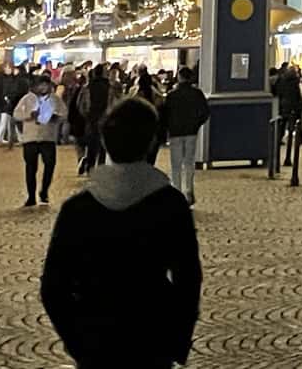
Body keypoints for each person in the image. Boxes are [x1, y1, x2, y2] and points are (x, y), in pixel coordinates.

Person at [42, 97, 201, 368]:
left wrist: (77, 341)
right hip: (151, 334)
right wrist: (176, 340)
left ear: (105, 142)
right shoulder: (170, 204)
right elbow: (188, 279)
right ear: (151, 142)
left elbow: (54, 286)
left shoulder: (79, 208)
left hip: (95, 333)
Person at [160, 66, 210, 205]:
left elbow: (164, 115)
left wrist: (167, 129)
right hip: (191, 132)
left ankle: (177, 192)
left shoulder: (171, 95)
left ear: (179, 77)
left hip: (175, 133)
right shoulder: (197, 94)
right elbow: (205, 112)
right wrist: (196, 124)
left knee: (176, 165)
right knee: (189, 162)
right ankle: (189, 190)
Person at [16, 76, 60, 207]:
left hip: (48, 137)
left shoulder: (55, 99)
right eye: (41, 85)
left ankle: (44, 191)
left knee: (50, 165)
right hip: (31, 138)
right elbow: (17, 114)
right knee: (31, 168)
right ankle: (31, 196)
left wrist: (55, 117)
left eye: (46, 85)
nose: (43, 88)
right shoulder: (27, 99)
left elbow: (64, 113)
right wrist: (29, 116)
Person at [78, 66, 113, 175]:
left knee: (91, 144)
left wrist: (86, 115)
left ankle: (90, 167)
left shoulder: (87, 87)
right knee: (103, 145)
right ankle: (100, 167)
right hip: (105, 118)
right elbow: (112, 103)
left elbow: (80, 104)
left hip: (91, 118)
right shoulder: (109, 87)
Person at [273, 62, 302, 165]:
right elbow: (299, 95)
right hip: (293, 107)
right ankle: (288, 157)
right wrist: (300, 108)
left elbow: (277, 91)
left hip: (283, 105)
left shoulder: (281, 80)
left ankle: (278, 140)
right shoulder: (296, 81)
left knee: (281, 125)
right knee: (291, 128)